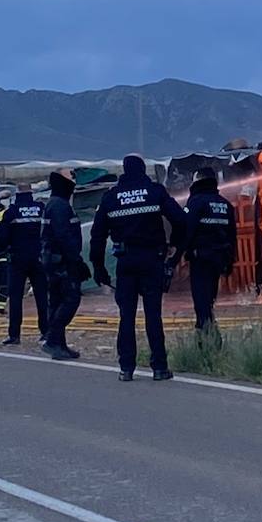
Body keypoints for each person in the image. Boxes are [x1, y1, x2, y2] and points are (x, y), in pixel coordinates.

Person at [90, 154, 187, 382]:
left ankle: (126, 368)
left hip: (125, 262)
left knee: (127, 316)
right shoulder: (155, 192)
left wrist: (99, 268)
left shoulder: (110, 197)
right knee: (153, 315)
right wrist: (174, 248)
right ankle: (160, 368)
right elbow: (181, 221)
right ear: (143, 170)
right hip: (152, 259)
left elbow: (97, 236)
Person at [182, 166, 236, 342]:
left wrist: (178, 255)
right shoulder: (225, 204)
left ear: (198, 180)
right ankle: (208, 335)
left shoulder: (196, 203)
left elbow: (186, 231)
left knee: (201, 301)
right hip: (219, 259)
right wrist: (230, 262)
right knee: (209, 299)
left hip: (201, 259)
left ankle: (208, 339)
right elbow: (232, 235)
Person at [41, 169, 86, 361]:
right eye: (71, 175)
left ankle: (59, 344)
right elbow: (64, 237)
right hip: (62, 263)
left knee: (57, 301)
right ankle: (53, 339)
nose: (74, 180)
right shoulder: (59, 206)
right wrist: (76, 261)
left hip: (54, 261)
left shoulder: (55, 204)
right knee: (71, 299)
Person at [0, 184, 48, 346]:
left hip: (17, 259)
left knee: (16, 298)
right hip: (39, 258)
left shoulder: (11, 212)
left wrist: (0, 252)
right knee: (42, 296)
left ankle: (14, 335)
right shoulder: (41, 209)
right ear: (31, 194)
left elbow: (2, 237)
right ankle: (46, 332)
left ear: (16, 195)